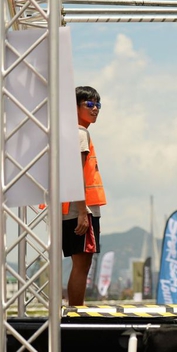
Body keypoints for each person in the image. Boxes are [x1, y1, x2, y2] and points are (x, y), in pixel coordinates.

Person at [62, 86, 106, 306]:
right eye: (89, 104)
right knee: (82, 265)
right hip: (79, 208)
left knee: (80, 264)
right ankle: (75, 312)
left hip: (75, 208)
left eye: (98, 104)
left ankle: (75, 309)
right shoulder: (80, 133)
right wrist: (82, 211)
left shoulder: (72, 133)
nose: (95, 108)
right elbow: (75, 174)